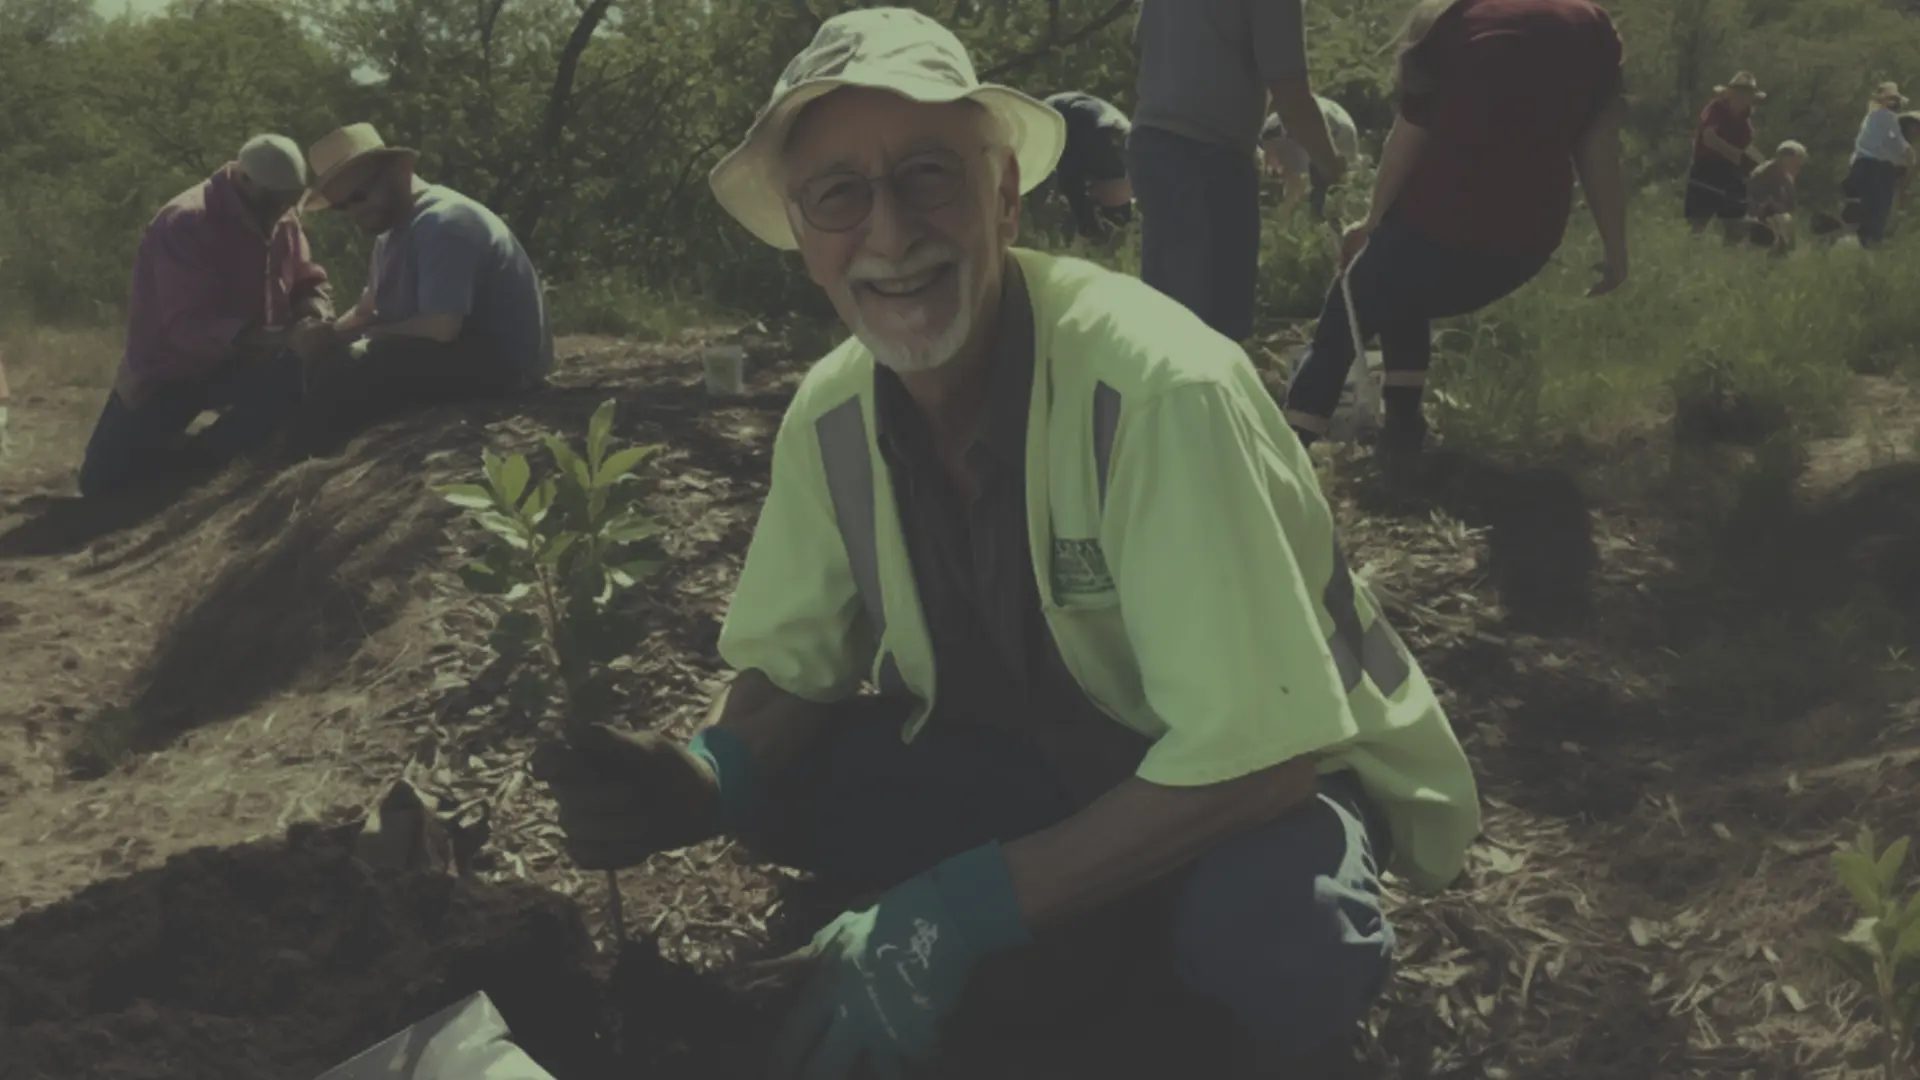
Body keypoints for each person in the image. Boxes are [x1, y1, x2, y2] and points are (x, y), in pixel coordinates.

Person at [544, 9, 1481, 1080]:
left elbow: (1258, 759)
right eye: (839, 195)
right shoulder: (833, 414)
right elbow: (796, 668)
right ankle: (1085, 913)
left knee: (1277, 943)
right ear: (804, 241)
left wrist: (957, 910)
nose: (889, 233)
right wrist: (706, 777)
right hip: (1045, 762)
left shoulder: (1158, 389)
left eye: (929, 176)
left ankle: (1134, 994)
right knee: (783, 791)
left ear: (1004, 196)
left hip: (1253, 778)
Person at [1281, 0, 1628, 467]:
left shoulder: (1456, 19)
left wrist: (1371, 221)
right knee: (1401, 288)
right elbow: (1598, 146)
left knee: (1350, 308)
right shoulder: (1593, 26)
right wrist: (1615, 245)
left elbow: (1409, 135)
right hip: (1527, 246)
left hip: (1440, 228)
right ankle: (1403, 437)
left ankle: (1284, 459)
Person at [77, 134, 331, 498]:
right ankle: (171, 451)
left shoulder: (282, 215)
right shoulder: (186, 223)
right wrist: (283, 338)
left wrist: (314, 314)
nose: (282, 211)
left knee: (298, 380)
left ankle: (201, 458)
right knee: (101, 483)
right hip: (171, 372)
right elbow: (187, 330)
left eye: (289, 202)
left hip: (249, 362)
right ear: (243, 179)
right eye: (275, 201)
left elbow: (307, 280)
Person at [284, 123, 552, 453]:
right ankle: (297, 452)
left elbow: (441, 328)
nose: (354, 212)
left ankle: (300, 457)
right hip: (458, 352)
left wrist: (358, 340)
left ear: (398, 171)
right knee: (327, 361)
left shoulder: (444, 223)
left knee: (355, 367)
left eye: (359, 196)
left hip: (503, 363)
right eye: (343, 206)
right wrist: (326, 336)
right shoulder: (390, 235)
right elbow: (370, 309)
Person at [1127, 0, 1348, 343]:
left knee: (1169, 316)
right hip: (1206, 157)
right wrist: (1331, 164)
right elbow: (1290, 92)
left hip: (1153, 142)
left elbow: (1147, 42)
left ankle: (1157, 393)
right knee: (1209, 330)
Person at [1037, 90, 1135, 241]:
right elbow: (1069, 179)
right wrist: (1086, 220)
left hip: (1073, 118)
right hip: (1051, 118)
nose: (1092, 195)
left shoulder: (1120, 159)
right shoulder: (1100, 148)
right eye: (1097, 200)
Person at [1685, 72, 1767, 240]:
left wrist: (1759, 164)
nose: (1742, 97)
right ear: (1730, 93)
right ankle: (1691, 255)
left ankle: (1731, 257)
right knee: (1698, 222)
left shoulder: (1746, 124)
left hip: (1730, 172)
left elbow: (1743, 150)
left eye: (1747, 94)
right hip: (1706, 169)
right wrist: (1738, 156)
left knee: (1735, 220)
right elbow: (1709, 138)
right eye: (1739, 92)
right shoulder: (1715, 109)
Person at [1261, 96, 1363, 220]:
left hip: (1334, 131)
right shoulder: (1271, 126)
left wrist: (1280, 216)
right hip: (1342, 122)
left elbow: (1298, 183)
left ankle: (1324, 223)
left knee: (1330, 188)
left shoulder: (1285, 140)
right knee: (1343, 186)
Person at [1841, 83, 1913, 248]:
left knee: (1864, 208)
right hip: (1877, 168)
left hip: (1863, 165)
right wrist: (1909, 155)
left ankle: (1861, 243)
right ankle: (1871, 243)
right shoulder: (1887, 117)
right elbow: (1897, 142)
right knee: (1878, 210)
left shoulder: (1871, 117)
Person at [1744, 139, 1807, 254]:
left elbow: (1791, 206)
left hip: (1775, 220)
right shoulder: (1764, 174)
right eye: (1797, 161)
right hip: (1759, 220)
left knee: (1785, 221)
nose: (1799, 166)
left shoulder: (1787, 178)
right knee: (1782, 221)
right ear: (1786, 158)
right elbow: (1758, 203)